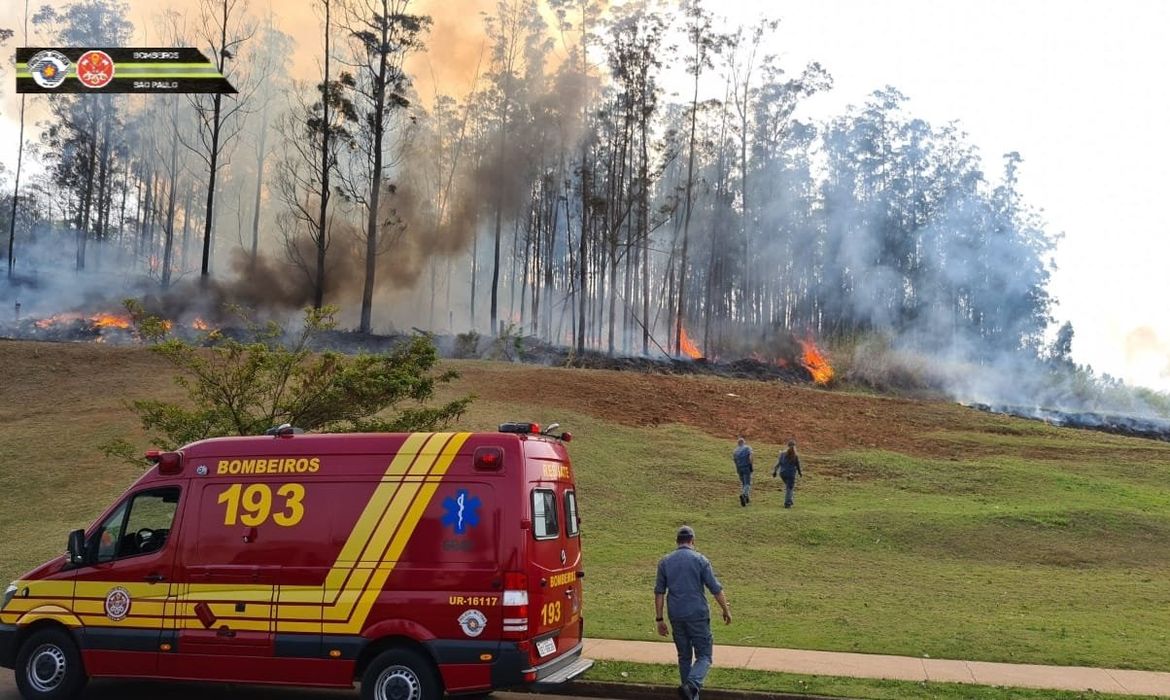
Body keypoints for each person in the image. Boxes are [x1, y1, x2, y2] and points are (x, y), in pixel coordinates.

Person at [655, 525, 732, 700]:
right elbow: (715, 588)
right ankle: (692, 684)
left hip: (676, 615)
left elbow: (659, 592)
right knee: (705, 655)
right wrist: (726, 610)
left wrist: (659, 619)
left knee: (684, 657)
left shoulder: (665, 562)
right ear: (692, 541)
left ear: (677, 542)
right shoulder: (700, 560)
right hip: (697, 614)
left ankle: (689, 695)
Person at [772, 440, 803, 508]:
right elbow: (798, 465)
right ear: (794, 446)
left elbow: (778, 464)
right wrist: (800, 473)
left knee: (789, 487)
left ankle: (790, 501)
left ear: (787, 446)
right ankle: (787, 503)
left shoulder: (782, 454)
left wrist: (775, 471)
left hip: (782, 473)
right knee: (789, 488)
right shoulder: (795, 455)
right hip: (790, 474)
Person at [732, 436, 753, 506]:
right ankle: (744, 495)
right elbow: (750, 457)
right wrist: (751, 465)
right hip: (746, 467)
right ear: (744, 442)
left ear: (738, 443)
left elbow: (734, 461)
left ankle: (746, 498)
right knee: (747, 483)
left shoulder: (735, 451)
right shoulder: (747, 448)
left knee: (743, 483)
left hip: (739, 468)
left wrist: (737, 468)